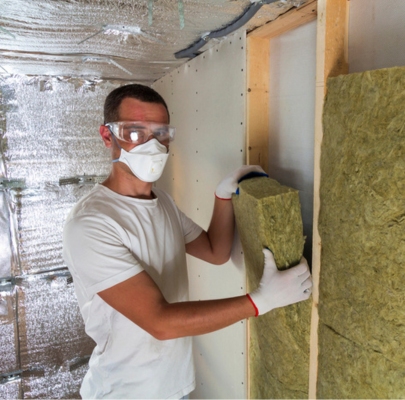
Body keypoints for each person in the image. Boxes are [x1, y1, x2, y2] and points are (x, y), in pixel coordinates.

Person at [62, 84, 312, 399]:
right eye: (135, 133)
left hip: (173, 384)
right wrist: (259, 302)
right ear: (107, 136)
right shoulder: (90, 224)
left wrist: (223, 197)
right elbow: (160, 322)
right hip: (125, 391)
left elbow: (215, 251)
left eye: (161, 133)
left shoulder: (161, 201)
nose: (152, 145)